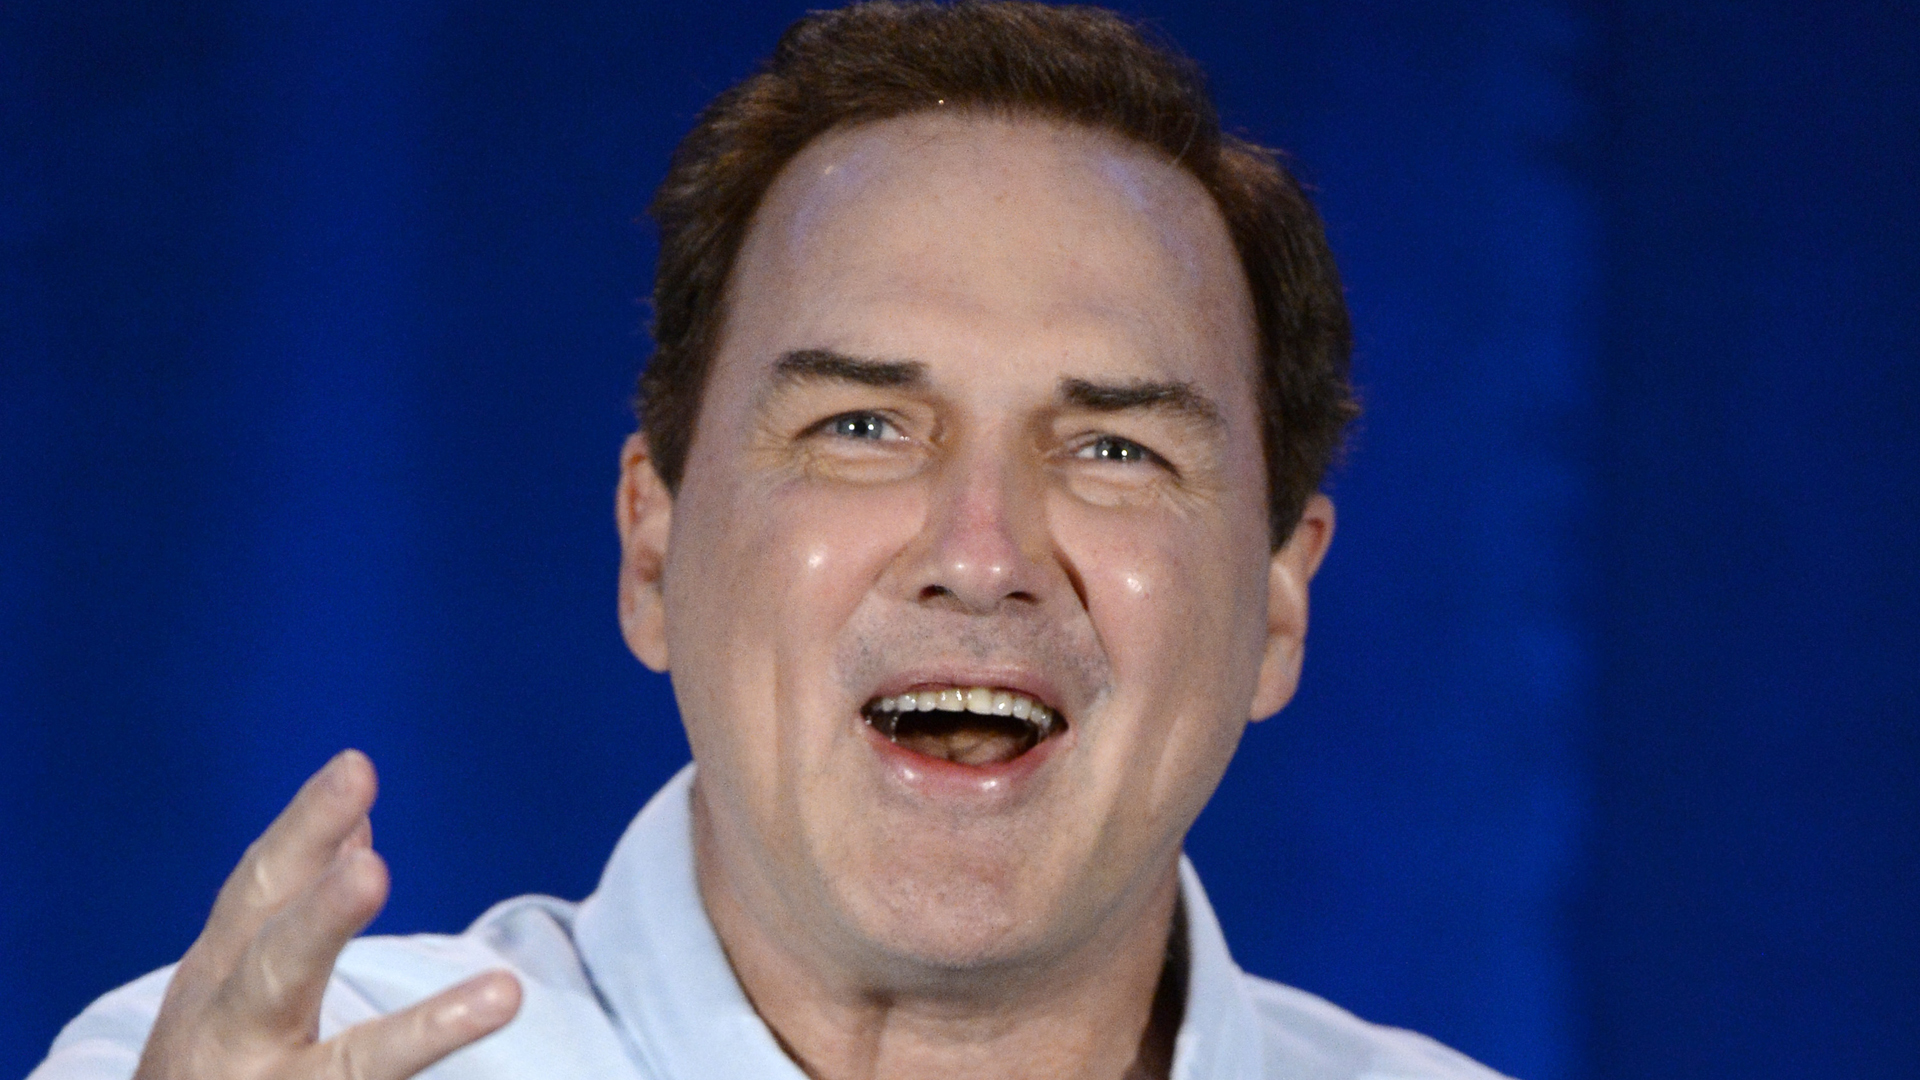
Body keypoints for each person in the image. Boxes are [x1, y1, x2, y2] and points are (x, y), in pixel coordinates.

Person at [32, 3, 1509, 1079]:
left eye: (1114, 450)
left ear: (1278, 604)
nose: (981, 551)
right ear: (653, 549)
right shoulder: (234, 1067)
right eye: (862, 426)